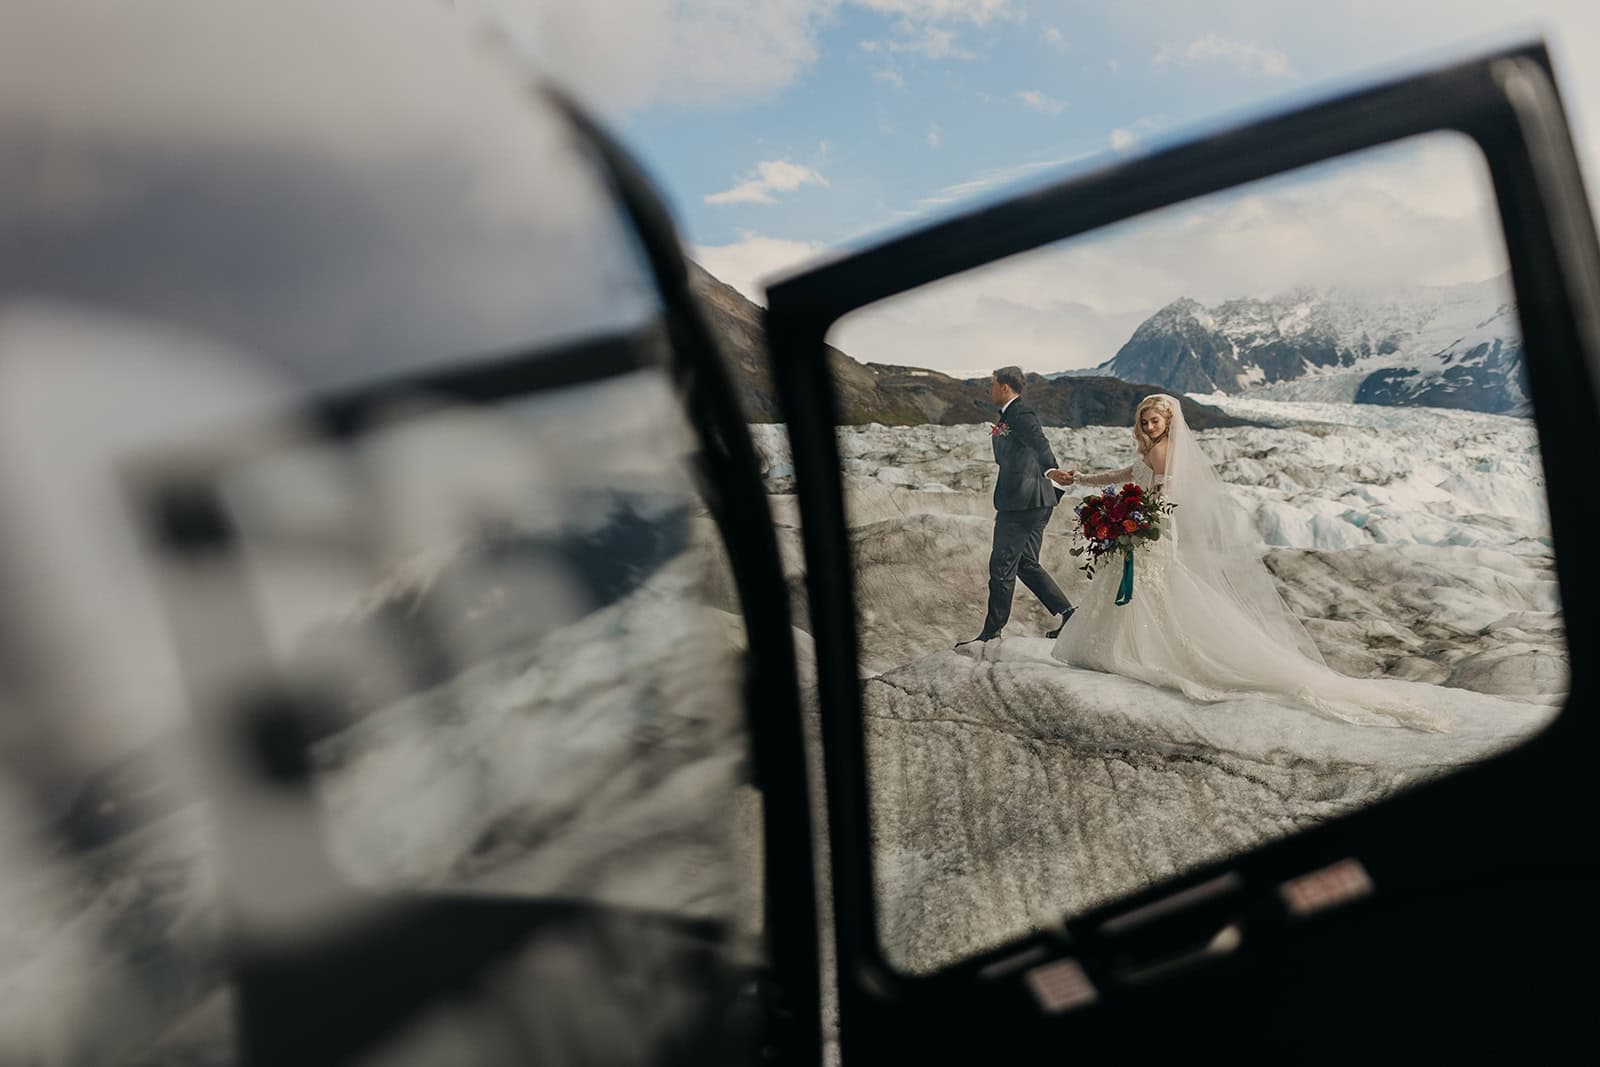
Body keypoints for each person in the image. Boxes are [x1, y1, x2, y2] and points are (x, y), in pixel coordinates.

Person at [1047, 394, 1448, 732]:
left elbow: (1166, 499)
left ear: (1168, 422)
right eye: (1144, 421)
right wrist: (1082, 479)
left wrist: (1137, 518)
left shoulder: (1165, 451)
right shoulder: (1151, 450)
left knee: (1155, 593)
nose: (1148, 426)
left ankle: (1138, 654)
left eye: (1154, 420)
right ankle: (1131, 651)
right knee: (1146, 594)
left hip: (1153, 534)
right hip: (1142, 531)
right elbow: (1128, 475)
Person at [957, 366, 1075, 648]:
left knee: (1001, 566)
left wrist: (1051, 470)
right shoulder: (1009, 416)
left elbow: (1039, 442)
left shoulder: (1020, 414)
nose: (990, 389)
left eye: (993, 385)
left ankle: (991, 633)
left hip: (1022, 504)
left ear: (1005, 388)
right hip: (1036, 502)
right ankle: (1070, 615)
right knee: (1025, 563)